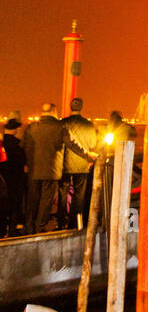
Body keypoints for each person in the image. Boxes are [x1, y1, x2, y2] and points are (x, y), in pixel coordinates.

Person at [23, 104, 94, 234]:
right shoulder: (60, 127)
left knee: (32, 199)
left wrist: (27, 163)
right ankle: (40, 226)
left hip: (33, 170)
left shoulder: (31, 127)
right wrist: (89, 155)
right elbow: (73, 144)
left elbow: (24, 146)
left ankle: (29, 227)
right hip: (51, 171)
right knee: (46, 201)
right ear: (54, 111)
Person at [60, 98, 99, 230]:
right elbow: (93, 144)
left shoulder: (62, 123)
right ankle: (76, 222)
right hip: (82, 165)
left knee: (63, 193)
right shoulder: (88, 125)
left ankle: (62, 221)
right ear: (81, 107)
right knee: (79, 195)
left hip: (64, 164)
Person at [0, 119, 27, 235]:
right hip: (16, 180)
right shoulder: (18, 145)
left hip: (3, 180)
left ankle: (1, 229)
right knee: (15, 205)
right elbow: (23, 163)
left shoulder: (1, 143)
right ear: (15, 130)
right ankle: (12, 229)